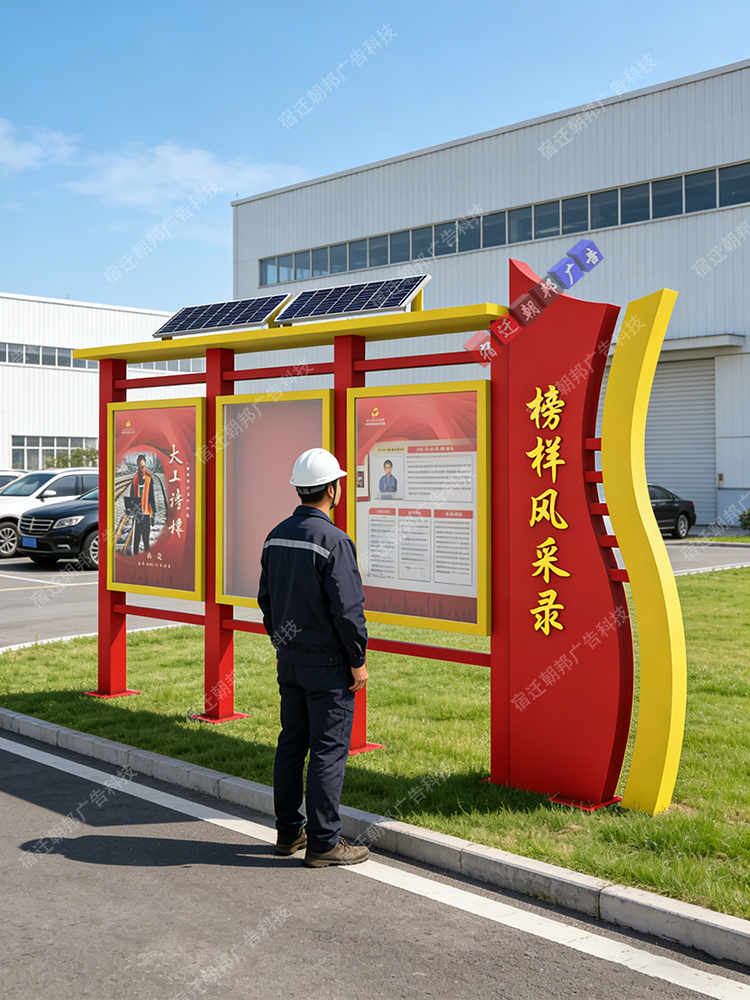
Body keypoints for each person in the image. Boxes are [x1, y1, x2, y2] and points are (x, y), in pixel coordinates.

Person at [258, 447, 370, 868]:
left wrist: (281, 645)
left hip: (290, 661)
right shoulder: (335, 541)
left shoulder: (275, 535)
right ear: (332, 489)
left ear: (300, 489)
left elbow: (266, 601)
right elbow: (348, 610)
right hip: (328, 667)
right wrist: (357, 660)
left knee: (291, 744)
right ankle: (324, 843)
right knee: (328, 750)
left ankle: (289, 833)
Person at [130, 454, 156, 555]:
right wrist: (131, 510)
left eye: (143, 467)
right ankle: (135, 560)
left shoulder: (149, 480)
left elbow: (152, 498)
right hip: (137, 515)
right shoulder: (135, 480)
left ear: (145, 466)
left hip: (146, 515)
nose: (142, 469)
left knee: (146, 540)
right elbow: (132, 496)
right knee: (136, 540)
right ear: (138, 466)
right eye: (140, 467)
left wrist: (153, 515)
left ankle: (146, 559)